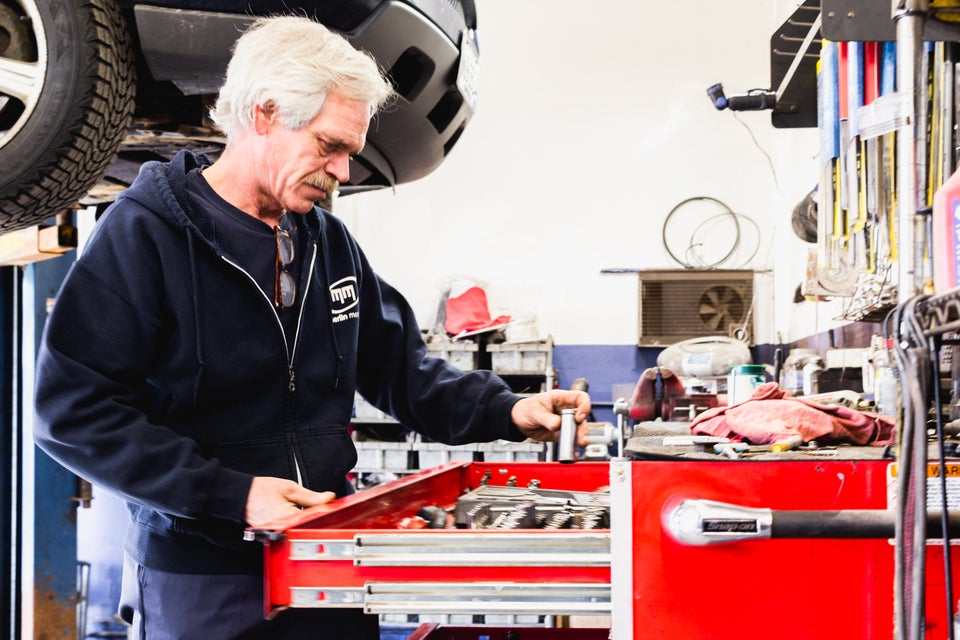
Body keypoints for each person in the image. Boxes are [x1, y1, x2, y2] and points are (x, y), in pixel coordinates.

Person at [32, 15, 590, 640]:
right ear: (264, 114)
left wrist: (506, 408)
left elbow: (401, 368)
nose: (343, 172)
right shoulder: (145, 235)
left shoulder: (327, 243)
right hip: (205, 576)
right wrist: (232, 494)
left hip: (328, 558)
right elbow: (72, 413)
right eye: (330, 145)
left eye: (351, 152)